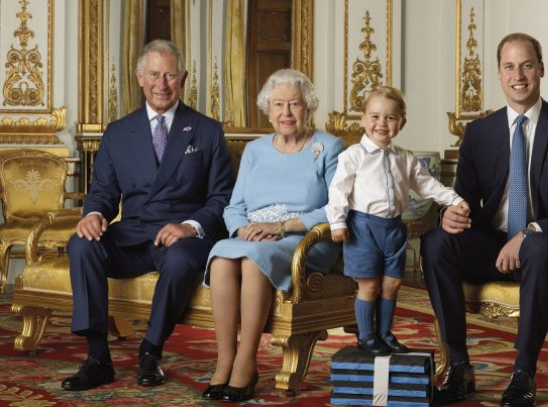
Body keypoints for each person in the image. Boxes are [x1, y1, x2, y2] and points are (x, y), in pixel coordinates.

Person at [421, 33, 548, 407]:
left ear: (541, 69)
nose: (518, 74)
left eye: (526, 65)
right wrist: (449, 214)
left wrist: (532, 231)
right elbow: (464, 200)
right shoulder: (480, 132)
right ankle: (459, 367)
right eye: (509, 66)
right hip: (495, 244)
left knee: (536, 245)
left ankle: (523, 373)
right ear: (499, 74)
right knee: (436, 241)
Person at [61, 39, 233, 391]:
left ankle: (150, 353)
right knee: (82, 244)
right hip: (134, 233)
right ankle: (98, 358)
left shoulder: (208, 130)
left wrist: (190, 226)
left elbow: (222, 198)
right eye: (154, 74)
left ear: (183, 78)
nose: (162, 84)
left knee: (183, 259)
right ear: (140, 77)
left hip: (183, 237)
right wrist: (93, 214)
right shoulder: (118, 132)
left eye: (170, 75)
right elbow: (104, 194)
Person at [201, 68, 344, 402]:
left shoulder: (329, 146)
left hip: (304, 241)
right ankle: (225, 359)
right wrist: (242, 229)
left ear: (308, 107)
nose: (286, 113)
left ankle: (247, 362)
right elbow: (233, 207)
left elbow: (337, 207)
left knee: (254, 261)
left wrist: (282, 227)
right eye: (278, 104)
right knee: (222, 256)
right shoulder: (255, 150)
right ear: (268, 109)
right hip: (253, 236)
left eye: (294, 104)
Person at [326, 86, 469, 356]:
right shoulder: (352, 156)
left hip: (394, 229)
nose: (382, 123)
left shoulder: (404, 158)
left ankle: (384, 333)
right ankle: (366, 337)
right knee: (368, 284)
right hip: (363, 227)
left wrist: (453, 199)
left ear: (401, 123)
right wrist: (337, 222)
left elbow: (428, 185)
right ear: (364, 120)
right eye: (375, 116)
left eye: (390, 118)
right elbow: (338, 191)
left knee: (391, 283)